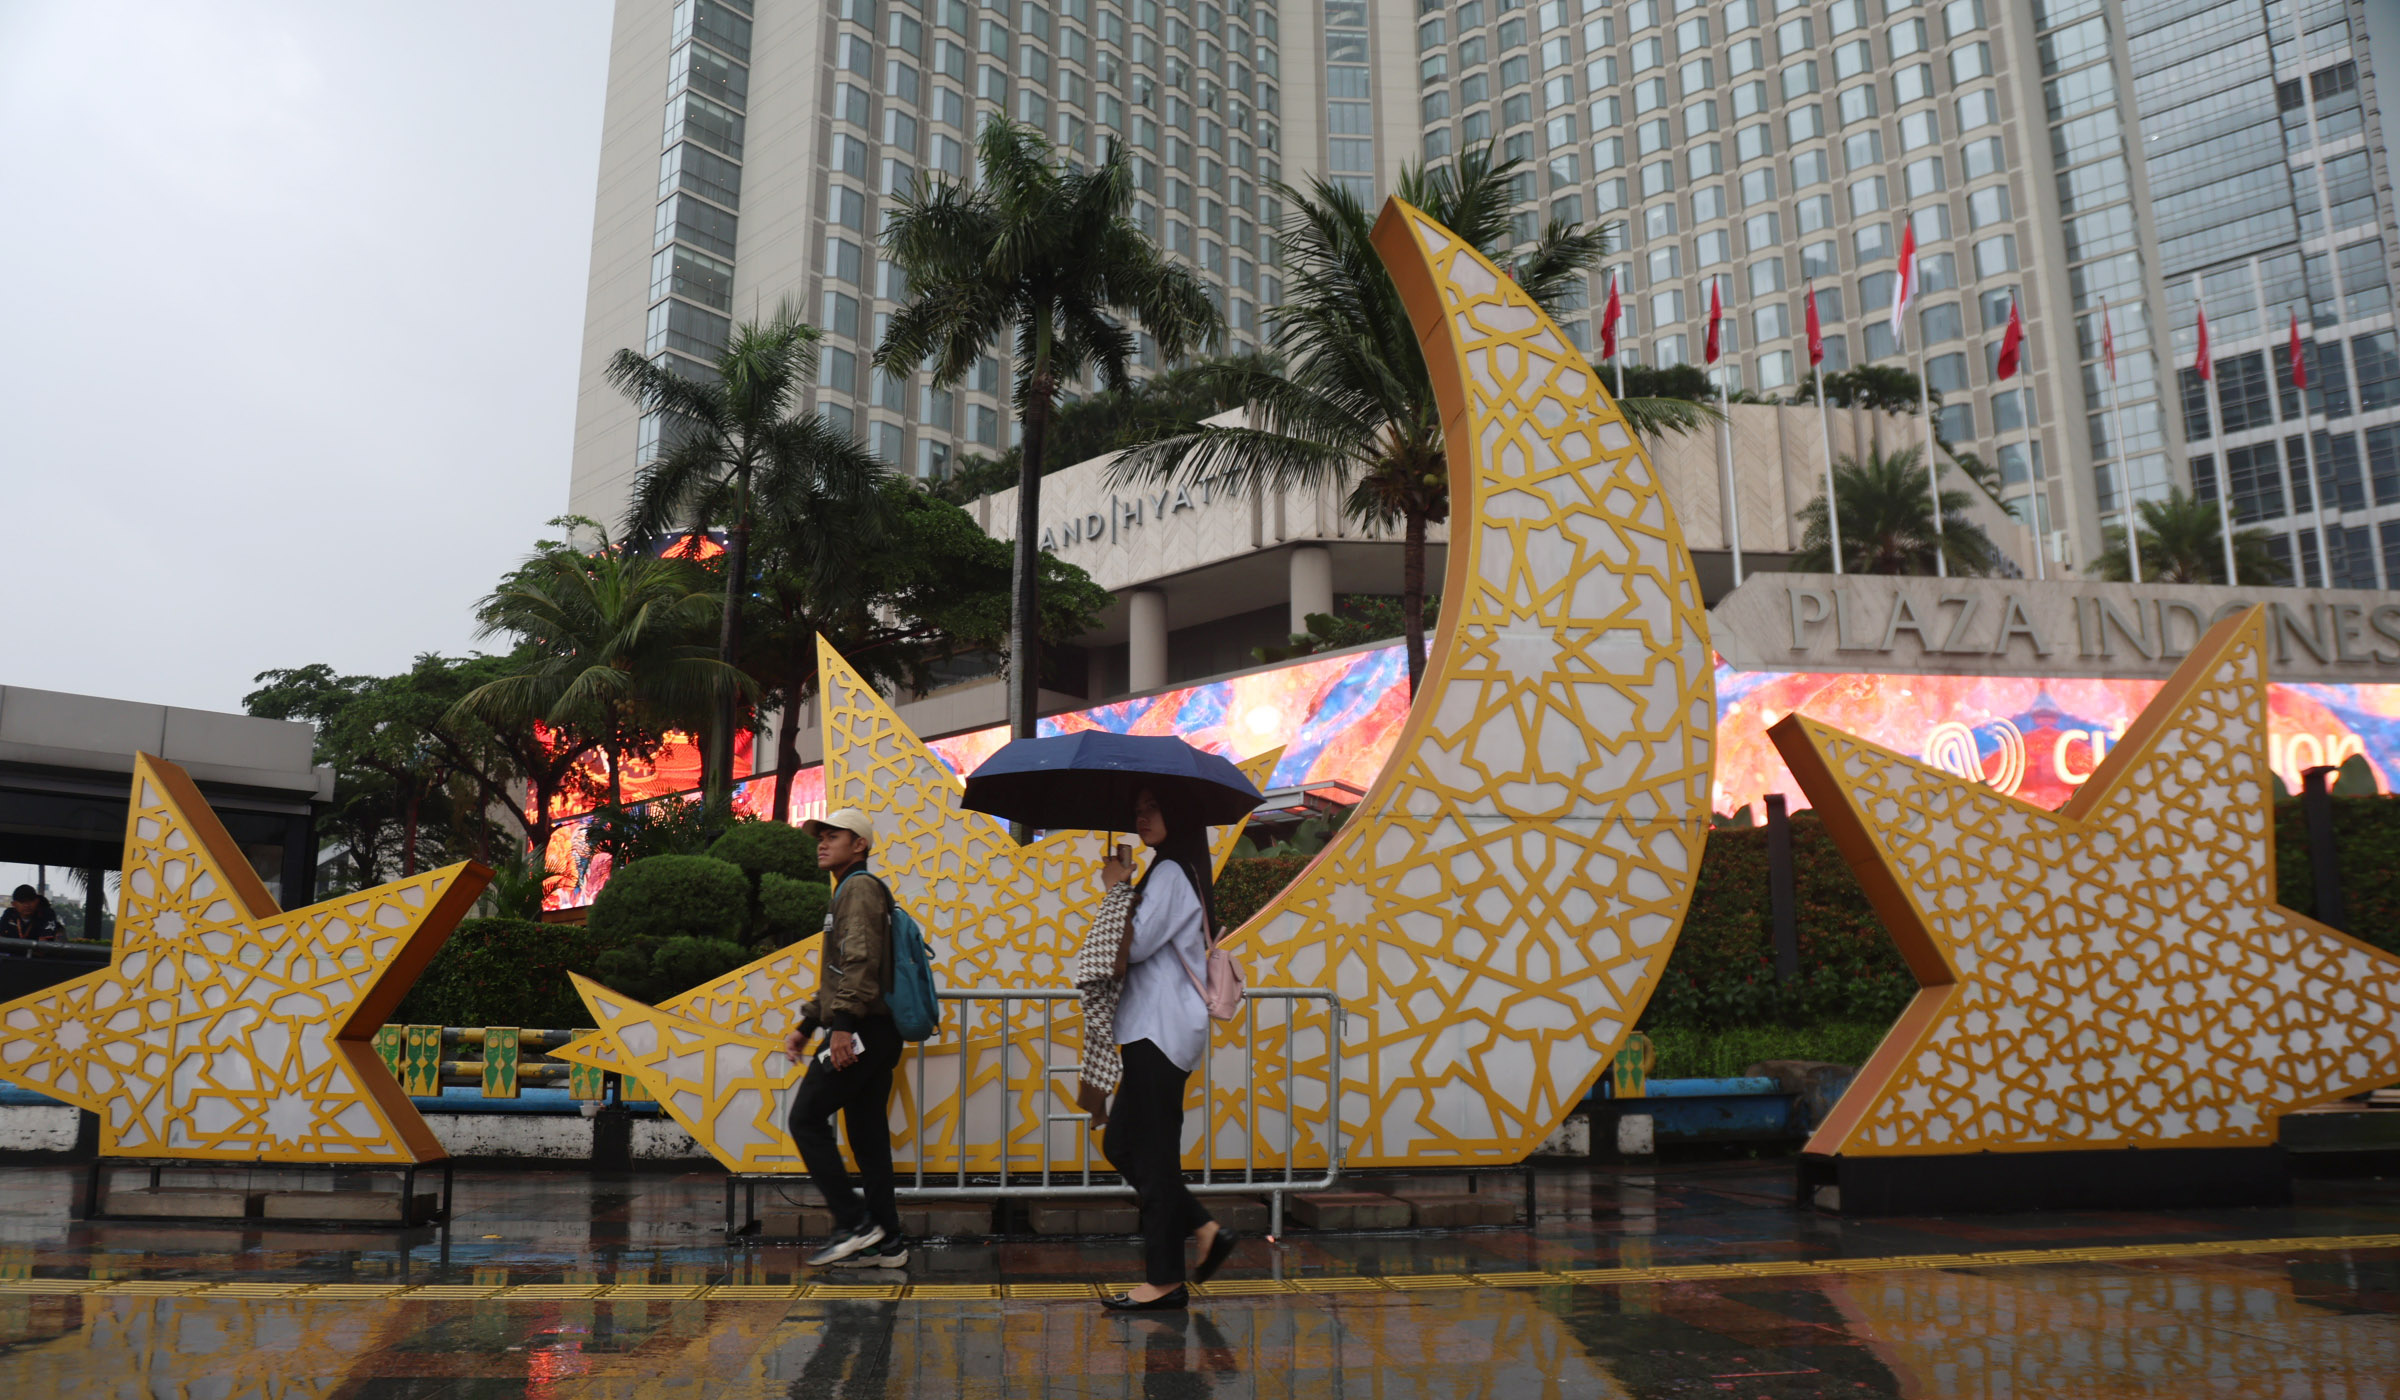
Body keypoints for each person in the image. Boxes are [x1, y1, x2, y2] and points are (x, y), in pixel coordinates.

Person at [1098, 786, 1238, 1311]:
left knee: (1154, 1157)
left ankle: (1164, 1279)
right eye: (1137, 809)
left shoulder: (1175, 872)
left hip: (1161, 1031)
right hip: (1145, 1030)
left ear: (1178, 811)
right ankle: (1203, 1227)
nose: (1142, 816)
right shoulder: (1165, 870)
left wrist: (1116, 890)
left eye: (1152, 806)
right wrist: (1126, 889)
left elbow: (1133, 946)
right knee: (1122, 1146)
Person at [782, 808, 908, 1270]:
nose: (822, 842)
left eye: (833, 836)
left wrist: (842, 1027)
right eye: (821, 835)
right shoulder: (851, 891)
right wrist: (807, 1024)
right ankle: (888, 1240)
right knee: (869, 1136)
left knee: (806, 1119)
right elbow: (838, 973)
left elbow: (859, 964)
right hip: (875, 1031)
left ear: (860, 845)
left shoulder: (857, 889)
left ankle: (855, 1224)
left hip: (863, 1031)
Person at [2, 885, 63, 953]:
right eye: (22, 902)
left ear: (37, 901)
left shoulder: (46, 914)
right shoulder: (9, 914)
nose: (27, 905)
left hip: (39, 960)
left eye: (30, 901)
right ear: (14, 904)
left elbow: (45, 944)